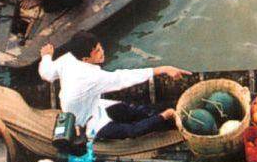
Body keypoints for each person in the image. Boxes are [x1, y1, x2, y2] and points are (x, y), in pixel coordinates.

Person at [38, 30, 189, 141]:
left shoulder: (68, 58)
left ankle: (167, 114)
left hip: (95, 106)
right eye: (97, 52)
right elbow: (122, 78)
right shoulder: (91, 77)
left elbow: (47, 73)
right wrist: (162, 69)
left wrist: (46, 56)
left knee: (132, 111)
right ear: (85, 59)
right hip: (86, 123)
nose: (102, 52)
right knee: (131, 130)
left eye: (99, 47)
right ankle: (166, 115)